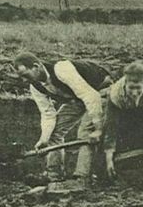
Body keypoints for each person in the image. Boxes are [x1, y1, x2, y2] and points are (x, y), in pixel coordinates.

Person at [13, 52, 113, 185]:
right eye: (21, 78)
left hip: (101, 90)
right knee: (54, 133)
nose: (24, 81)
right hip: (77, 99)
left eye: (25, 75)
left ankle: (82, 178)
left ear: (36, 67)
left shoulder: (61, 69)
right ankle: (54, 176)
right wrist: (44, 139)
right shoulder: (35, 87)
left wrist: (98, 127)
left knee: (85, 132)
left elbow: (91, 96)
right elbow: (48, 114)